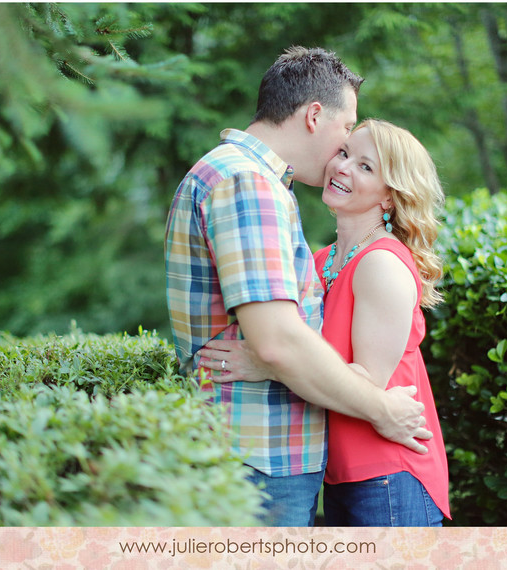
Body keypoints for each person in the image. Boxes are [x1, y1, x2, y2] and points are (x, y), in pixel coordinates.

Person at [164, 47, 432, 527]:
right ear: (314, 116)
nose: (342, 154)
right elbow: (280, 340)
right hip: (259, 454)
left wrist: (268, 359)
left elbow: (282, 344)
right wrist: (383, 409)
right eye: (346, 132)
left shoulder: (248, 180)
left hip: (283, 458)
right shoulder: (249, 184)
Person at [200, 119, 451, 526]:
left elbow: (367, 380)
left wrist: (267, 364)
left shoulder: (381, 263)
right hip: (340, 473)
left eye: (366, 167)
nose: (343, 168)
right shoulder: (320, 262)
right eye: (345, 153)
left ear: (390, 197)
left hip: (389, 472)